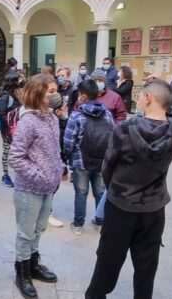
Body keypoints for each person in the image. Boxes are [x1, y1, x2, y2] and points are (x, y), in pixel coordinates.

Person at [86, 80, 172, 299]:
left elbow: (108, 167)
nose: (138, 100)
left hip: (121, 205)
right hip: (154, 207)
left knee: (108, 260)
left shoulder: (125, 129)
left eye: (140, 96)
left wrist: (118, 188)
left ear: (148, 98)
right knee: (146, 265)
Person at [10, 74, 64, 298]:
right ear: (38, 93)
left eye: (55, 90)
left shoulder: (52, 117)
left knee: (39, 229)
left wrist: (59, 168)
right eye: (51, 91)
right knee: (26, 232)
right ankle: (21, 272)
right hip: (29, 188)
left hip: (48, 187)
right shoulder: (28, 121)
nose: (55, 95)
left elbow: (54, 149)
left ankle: (33, 264)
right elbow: (15, 157)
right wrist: (39, 175)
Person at [62, 79, 114, 236]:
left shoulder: (76, 116)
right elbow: (113, 138)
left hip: (81, 161)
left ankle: (78, 225)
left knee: (81, 193)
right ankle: (100, 222)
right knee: (100, 192)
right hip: (102, 160)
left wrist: (67, 158)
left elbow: (68, 141)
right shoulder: (108, 114)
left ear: (83, 96)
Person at [0, 70, 23, 188]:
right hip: (9, 129)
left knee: (19, 151)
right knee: (7, 150)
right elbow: (1, 114)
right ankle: (5, 175)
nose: (21, 81)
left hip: (19, 127)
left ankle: (19, 174)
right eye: (18, 79)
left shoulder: (18, 93)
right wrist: (11, 126)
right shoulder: (6, 96)